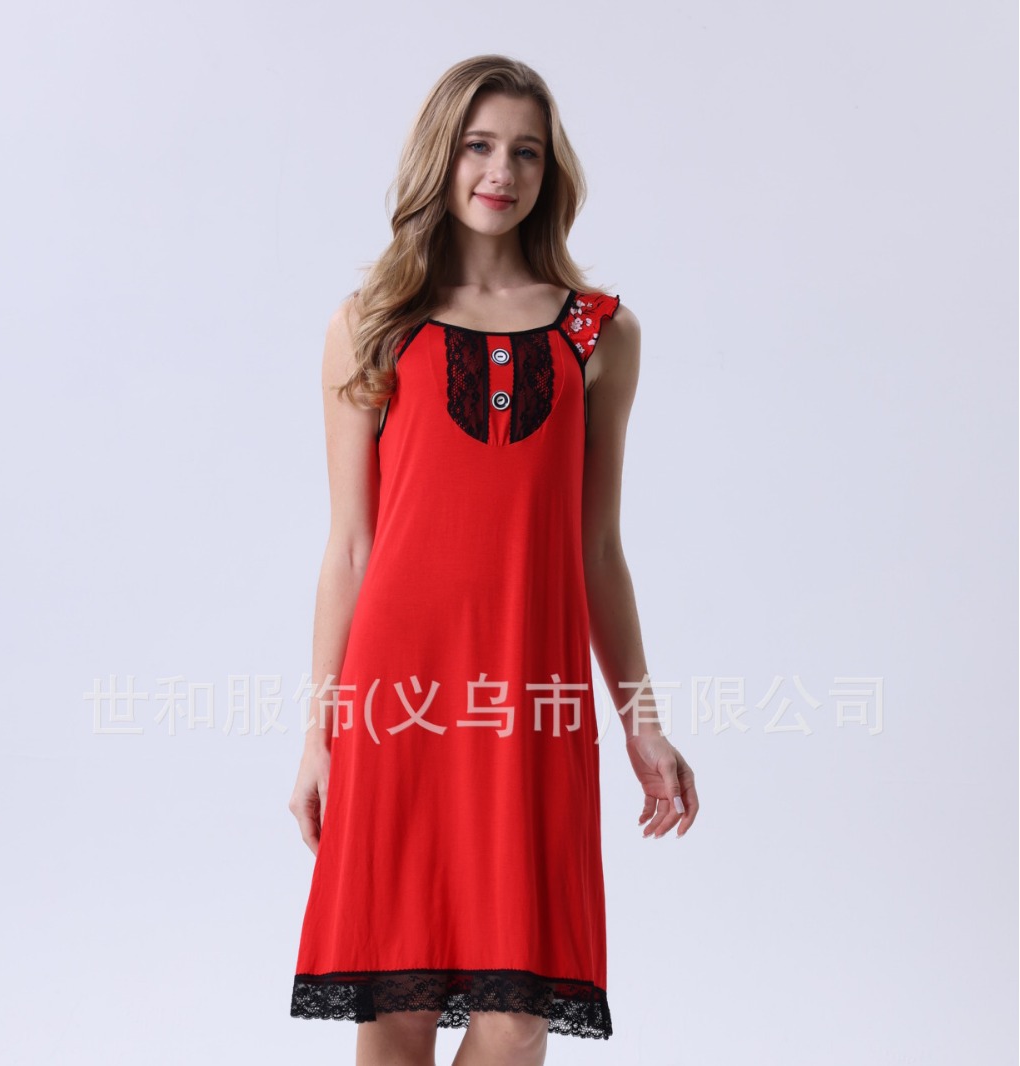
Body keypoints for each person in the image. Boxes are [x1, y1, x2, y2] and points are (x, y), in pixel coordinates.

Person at [288, 53, 699, 1066]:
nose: (500, 171)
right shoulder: (370, 326)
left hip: (531, 694)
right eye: (478, 145)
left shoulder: (599, 333)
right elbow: (350, 545)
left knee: (518, 1017)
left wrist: (641, 720)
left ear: (550, 170)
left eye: (525, 151)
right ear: (442, 155)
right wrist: (319, 734)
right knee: (397, 1000)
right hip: (400, 698)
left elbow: (597, 548)